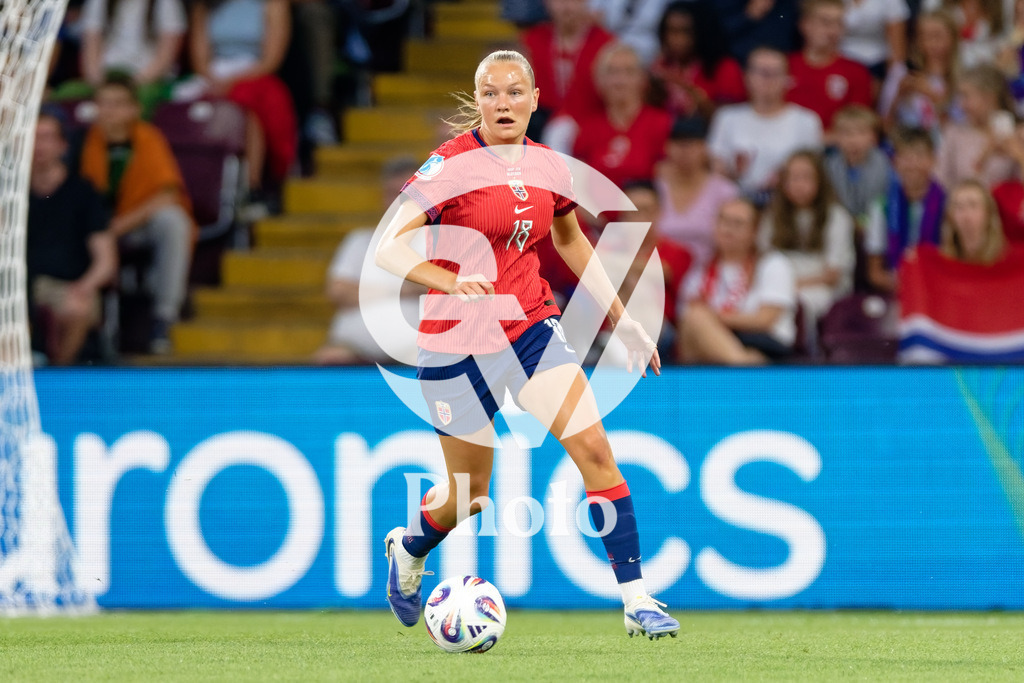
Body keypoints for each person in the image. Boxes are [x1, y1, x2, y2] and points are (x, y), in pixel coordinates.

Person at [375, 50, 679, 639]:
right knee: (468, 496)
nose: (503, 103)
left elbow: (570, 241)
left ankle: (637, 600)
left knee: (594, 449)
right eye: (490, 93)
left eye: (515, 92)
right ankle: (409, 546)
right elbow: (388, 248)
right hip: (454, 341)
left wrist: (625, 321)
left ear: (536, 100)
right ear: (478, 101)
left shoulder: (550, 167)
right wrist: (451, 280)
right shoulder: (450, 167)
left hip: (530, 327)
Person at [80, 72, 194, 353]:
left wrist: (117, 227)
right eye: (104, 103)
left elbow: (167, 194)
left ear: (134, 108)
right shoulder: (79, 142)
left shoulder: (148, 139)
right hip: (89, 230)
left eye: (118, 103)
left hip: (130, 226)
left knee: (174, 221)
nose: (110, 111)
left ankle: (164, 317)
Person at [27, 108, 117, 365]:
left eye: (46, 137)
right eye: (32, 137)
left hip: (67, 285)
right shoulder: (10, 192)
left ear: (63, 145)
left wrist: (84, 287)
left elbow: (106, 260)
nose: (38, 146)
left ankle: (59, 374)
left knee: (78, 308)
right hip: (19, 286)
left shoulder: (83, 193)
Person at [314, 157, 423, 365]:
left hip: (418, 353)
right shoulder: (359, 241)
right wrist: (404, 290)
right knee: (328, 359)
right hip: (352, 349)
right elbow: (338, 292)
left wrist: (364, 291)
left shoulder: (441, 244)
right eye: (392, 193)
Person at [184, 0, 298, 198]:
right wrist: (213, 79)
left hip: (254, 73)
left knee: (246, 103)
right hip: (213, 74)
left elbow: (271, 60)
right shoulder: (204, 6)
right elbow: (199, 56)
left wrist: (233, 81)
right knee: (186, 108)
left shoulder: (273, 4)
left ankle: (250, 185)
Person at [677, 197, 797, 364]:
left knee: (698, 316)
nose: (728, 229)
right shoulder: (699, 271)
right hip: (711, 347)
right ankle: (741, 369)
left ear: (754, 231)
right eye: (723, 221)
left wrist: (710, 318)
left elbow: (765, 319)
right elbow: (686, 322)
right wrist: (706, 322)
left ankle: (740, 371)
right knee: (694, 321)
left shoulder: (773, 264)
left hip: (764, 345)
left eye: (737, 223)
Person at [707, 46, 823, 201]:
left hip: (787, 202)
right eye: (761, 72)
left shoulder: (807, 121)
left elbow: (811, 172)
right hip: (737, 202)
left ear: (787, 78)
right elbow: (716, 168)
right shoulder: (727, 118)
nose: (767, 80)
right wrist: (734, 174)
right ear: (747, 76)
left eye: (775, 73)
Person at [759, 150, 855, 324]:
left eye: (807, 178)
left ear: (820, 181)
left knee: (794, 303)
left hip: (821, 289)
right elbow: (763, 259)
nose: (799, 184)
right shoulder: (773, 215)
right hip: (780, 286)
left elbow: (832, 275)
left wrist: (787, 287)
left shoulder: (837, 217)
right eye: (793, 178)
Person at [567, 42, 673, 188]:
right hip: (596, 209)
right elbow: (577, 188)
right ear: (599, 80)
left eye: (629, 72)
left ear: (643, 79)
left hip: (645, 208)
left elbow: (667, 183)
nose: (620, 81)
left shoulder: (661, 123)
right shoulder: (587, 128)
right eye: (612, 72)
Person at [59, 0, 187, 118]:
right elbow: (91, 46)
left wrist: (130, 85)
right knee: (67, 93)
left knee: (139, 99)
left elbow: (165, 56)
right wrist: (98, 82)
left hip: (147, 79)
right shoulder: (98, 2)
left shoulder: (166, 3)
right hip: (107, 75)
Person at [863, 126, 946, 292]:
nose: (912, 164)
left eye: (920, 156)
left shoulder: (949, 203)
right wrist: (909, 288)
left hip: (938, 287)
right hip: (896, 287)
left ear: (933, 160)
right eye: (906, 157)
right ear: (895, 162)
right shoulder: (881, 206)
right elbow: (875, 273)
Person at [519, 0, 614, 140]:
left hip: (592, 124)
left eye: (574, 1)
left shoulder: (605, 44)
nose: (567, 7)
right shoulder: (531, 41)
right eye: (559, 1)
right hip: (539, 123)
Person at [654, 115, 740, 267]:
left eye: (692, 144)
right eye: (679, 144)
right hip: (659, 270)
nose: (685, 151)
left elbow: (734, 238)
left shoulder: (725, 191)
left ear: (704, 148)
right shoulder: (656, 188)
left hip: (708, 271)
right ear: (668, 147)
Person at [648, 1, 746, 118]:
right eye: (670, 31)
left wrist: (696, 96)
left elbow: (731, 121)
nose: (676, 39)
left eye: (685, 31)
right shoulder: (661, 66)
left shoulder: (725, 68)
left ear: (701, 32)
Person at [787, 0, 873, 133]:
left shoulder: (856, 71)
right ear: (805, 24)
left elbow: (858, 125)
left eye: (839, 23)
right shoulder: (785, 66)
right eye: (825, 22)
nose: (834, 31)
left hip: (835, 147)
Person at [880, 9, 961, 141]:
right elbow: (885, 126)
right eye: (924, 36)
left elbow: (961, 129)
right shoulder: (902, 71)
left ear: (953, 38)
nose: (930, 43)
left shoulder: (963, 77)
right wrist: (899, 96)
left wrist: (933, 96)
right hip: (907, 148)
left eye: (937, 36)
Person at [936, 63, 1019, 189]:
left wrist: (1019, 154)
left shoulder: (1015, 132)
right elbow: (940, 182)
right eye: (960, 96)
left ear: (989, 97)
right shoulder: (954, 133)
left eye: (966, 96)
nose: (961, 105)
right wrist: (986, 154)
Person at [825, 105, 891, 222]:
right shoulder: (828, 167)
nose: (853, 140)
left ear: (873, 137)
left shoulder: (885, 166)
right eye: (847, 133)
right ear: (836, 136)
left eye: (861, 133)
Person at [939, 178, 1009, 262]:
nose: (966, 215)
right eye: (959, 206)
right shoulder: (943, 261)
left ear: (988, 212)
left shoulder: (1007, 260)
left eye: (973, 205)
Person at [839, 0, 910, 81]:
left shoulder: (891, 2)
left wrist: (895, 78)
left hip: (877, 63)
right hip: (839, 60)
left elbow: (897, 44)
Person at [713, 0, 800, 64]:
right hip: (737, 65)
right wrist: (748, 15)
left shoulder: (790, 5)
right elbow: (712, 34)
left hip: (780, 68)